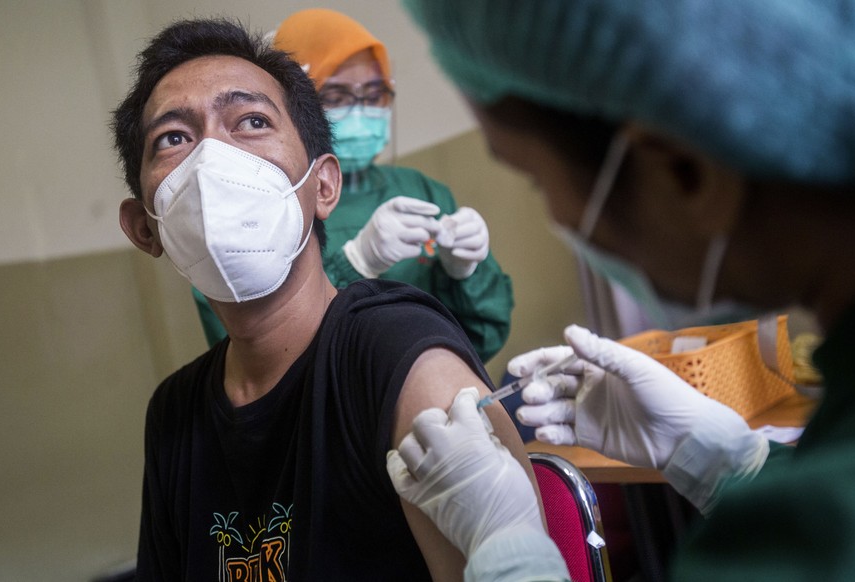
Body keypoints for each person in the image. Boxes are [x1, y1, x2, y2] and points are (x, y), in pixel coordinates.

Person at [387, 0, 855, 580]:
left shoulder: (836, 519)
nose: (559, 216)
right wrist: (721, 457)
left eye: (539, 182)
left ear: (684, 173)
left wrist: (505, 544)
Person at [112, 18, 540, 580]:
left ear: (324, 186)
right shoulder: (174, 412)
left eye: (252, 121)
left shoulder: (391, 359)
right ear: (144, 227)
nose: (211, 162)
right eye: (174, 138)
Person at [191, 8, 514, 363]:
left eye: (375, 95)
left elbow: (480, 338)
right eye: (337, 97)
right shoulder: (246, 218)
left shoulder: (422, 192)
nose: (361, 112)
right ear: (293, 105)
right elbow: (253, 364)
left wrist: (466, 274)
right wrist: (354, 265)